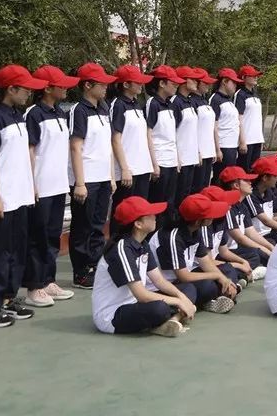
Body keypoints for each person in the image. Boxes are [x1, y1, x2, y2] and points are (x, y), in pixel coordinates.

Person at [0, 65, 47, 327]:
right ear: (11, 89)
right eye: (25, 88)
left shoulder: (18, 115)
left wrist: (30, 189)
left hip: (20, 197)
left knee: (16, 251)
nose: (29, 92)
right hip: (0, 199)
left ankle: (7, 299)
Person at [91, 197, 196, 336]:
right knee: (159, 308)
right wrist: (178, 302)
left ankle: (171, 320)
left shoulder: (142, 244)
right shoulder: (121, 249)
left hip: (133, 303)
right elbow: (142, 295)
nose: (155, 217)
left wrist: (181, 296)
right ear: (138, 224)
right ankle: (171, 318)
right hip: (112, 315)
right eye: (150, 215)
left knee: (188, 289)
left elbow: (159, 281)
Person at [22, 65, 80, 308]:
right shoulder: (33, 114)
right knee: (37, 237)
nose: (66, 88)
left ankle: (48, 280)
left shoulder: (59, 112)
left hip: (58, 185)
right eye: (61, 85)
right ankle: (34, 287)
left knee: (53, 236)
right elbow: (29, 152)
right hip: (41, 187)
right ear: (47, 88)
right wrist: (31, 184)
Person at [67, 62, 117, 291]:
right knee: (82, 227)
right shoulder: (79, 110)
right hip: (86, 178)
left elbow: (106, 146)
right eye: (101, 83)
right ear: (88, 85)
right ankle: (81, 271)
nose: (106, 87)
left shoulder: (104, 108)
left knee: (98, 225)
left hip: (103, 178)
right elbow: (76, 147)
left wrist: (111, 177)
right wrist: (79, 182)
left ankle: (96, 265)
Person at [149, 193, 238, 313]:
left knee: (227, 269)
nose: (214, 216)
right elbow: (184, 276)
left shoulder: (195, 229)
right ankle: (201, 303)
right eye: (210, 214)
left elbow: (206, 261)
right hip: (166, 285)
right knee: (203, 287)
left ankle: (214, 298)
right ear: (197, 221)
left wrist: (223, 278)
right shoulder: (173, 236)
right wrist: (217, 276)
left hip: (181, 279)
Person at [109, 64, 156, 207]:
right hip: (128, 171)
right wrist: (124, 169)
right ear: (125, 84)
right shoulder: (118, 105)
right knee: (124, 212)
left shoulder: (136, 104)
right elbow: (115, 140)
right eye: (137, 81)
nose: (141, 84)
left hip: (142, 168)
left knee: (140, 211)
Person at [145, 65, 185, 213]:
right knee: (157, 201)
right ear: (161, 83)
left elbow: (172, 135)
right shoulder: (153, 103)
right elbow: (148, 133)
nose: (176, 85)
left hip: (171, 161)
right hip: (160, 160)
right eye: (172, 82)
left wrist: (177, 159)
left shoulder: (170, 104)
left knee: (170, 201)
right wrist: (154, 164)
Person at [172, 66, 201, 206]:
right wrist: (177, 157)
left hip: (191, 157)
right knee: (179, 195)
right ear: (183, 81)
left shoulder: (190, 101)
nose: (196, 82)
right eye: (193, 79)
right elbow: (172, 132)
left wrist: (197, 151)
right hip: (181, 158)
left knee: (188, 193)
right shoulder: (175, 102)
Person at [210, 67, 243, 182]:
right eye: (233, 82)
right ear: (224, 81)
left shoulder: (229, 100)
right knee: (220, 178)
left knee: (230, 179)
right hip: (223, 146)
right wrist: (217, 149)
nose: (235, 85)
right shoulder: (215, 99)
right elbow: (213, 125)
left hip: (232, 146)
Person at [235, 64, 264, 169]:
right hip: (247, 139)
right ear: (244, 78)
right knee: (244, 170)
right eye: (252, 75)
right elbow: (239, 118)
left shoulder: (255, 94)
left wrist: (261, 139)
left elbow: (258, 119)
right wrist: (242, 141)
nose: (256, 77)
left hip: (256, 139)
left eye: (256, 75)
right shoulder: (240, 94)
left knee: (255, 170)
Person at [194, 69, 218, 195]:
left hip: (209, 150)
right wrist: (197, 151)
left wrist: (214, 148)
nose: (208, 85)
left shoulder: (205, 101)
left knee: (205, 185)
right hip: (199, 153)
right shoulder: (192, 102)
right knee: (197, 187)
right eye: (205, 83)